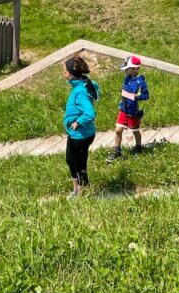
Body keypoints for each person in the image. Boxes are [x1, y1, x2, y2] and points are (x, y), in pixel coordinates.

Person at [62, 53, 99, 197]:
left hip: (80, 135)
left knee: (76, 164)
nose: (63, 75)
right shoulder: (83, 84)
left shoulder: (80, 92)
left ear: (72, 74)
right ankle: (80, 189)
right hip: (81, 134)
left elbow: (90, 113)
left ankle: (81, 192)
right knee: (73, 161)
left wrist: (78, 122)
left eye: (65, 72)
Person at [107, 55, 149, 162]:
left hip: (133, 111)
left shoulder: (140, 82)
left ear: (135, 69)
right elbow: (124, 91)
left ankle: (138, 147)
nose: (125, 70)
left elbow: (145, 96)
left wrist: (133, 96)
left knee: (135, 131)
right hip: (124, 110)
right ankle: (117, 151)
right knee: (118, 130)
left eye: (127, 68)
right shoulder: (127, 78)